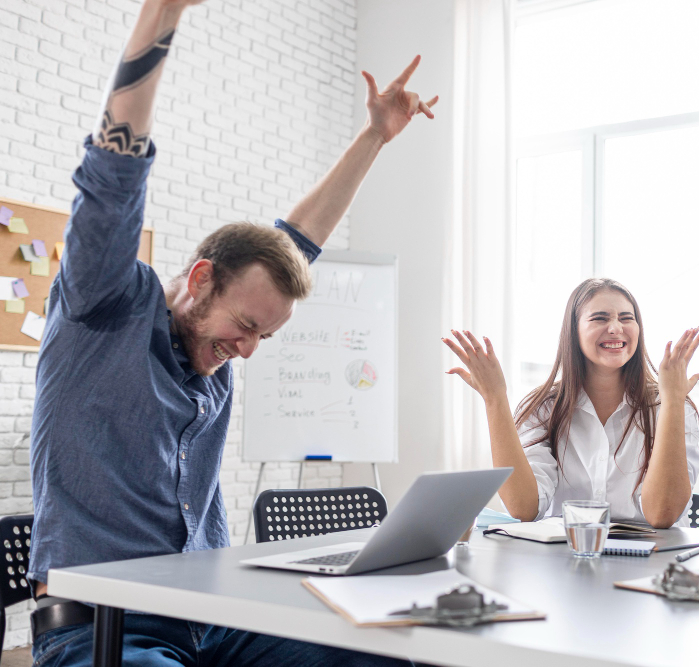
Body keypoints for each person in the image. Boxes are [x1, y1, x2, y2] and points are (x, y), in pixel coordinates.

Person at [28, 0, 436, 664]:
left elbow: (300, 241)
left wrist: (375, 138)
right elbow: (112, 176)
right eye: (244, 327)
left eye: (261, 340)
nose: (245, 350)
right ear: (199, 276)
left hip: (212, 616)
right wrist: (162, 13)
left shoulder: (219, 343)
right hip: (103, 627)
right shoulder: (102, 306)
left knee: (390, 653)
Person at [443, 278, 699, 528]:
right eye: (600, 318)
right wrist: (494, 398)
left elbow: (663, 514)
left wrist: (672, 402)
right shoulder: (543, 409)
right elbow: (523, 508)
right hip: (567, 558)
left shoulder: (671, 404)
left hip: (653, 562)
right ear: (573, 331)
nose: (615, 328)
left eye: (626, 318)